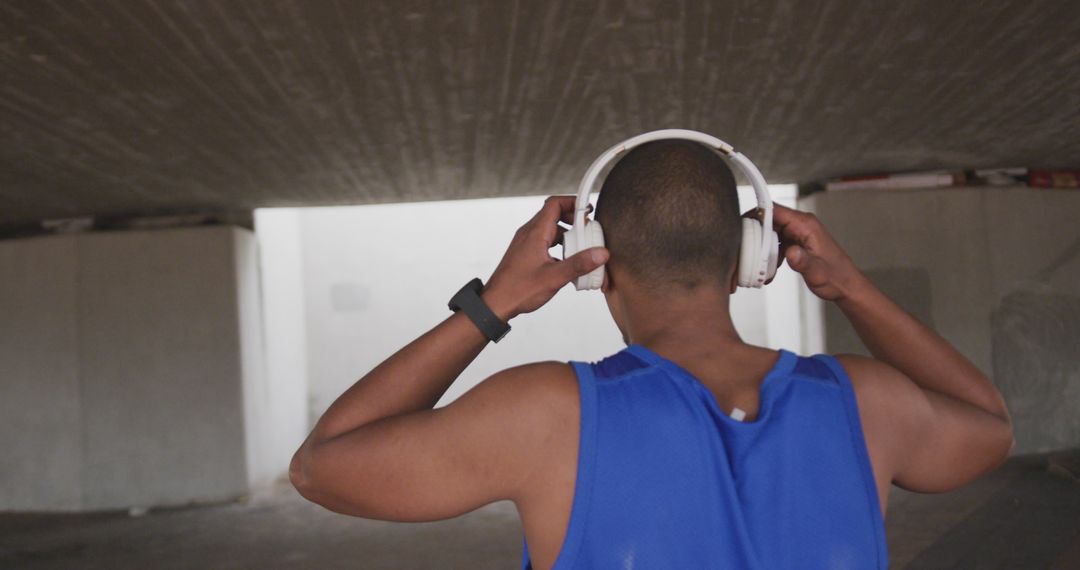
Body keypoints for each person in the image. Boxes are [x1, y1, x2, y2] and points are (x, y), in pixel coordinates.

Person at [289, 141, 1014, 569]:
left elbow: (323, 465)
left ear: (597, 267)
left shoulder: (549, 417)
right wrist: (853, 288)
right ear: (750, 262)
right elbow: (989, 425)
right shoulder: (866, 401)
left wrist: (495, 303)